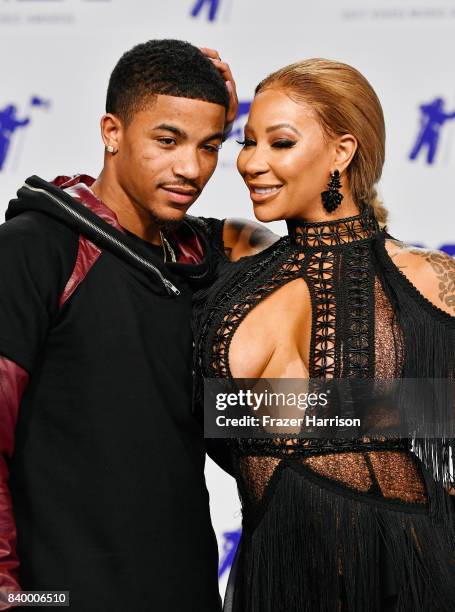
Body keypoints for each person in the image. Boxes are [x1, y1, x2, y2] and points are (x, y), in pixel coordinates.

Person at [0, 38, 275, 612]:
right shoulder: (34, 248)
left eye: (209, 146)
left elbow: (317, 256)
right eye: (167, 140)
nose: (191, 168)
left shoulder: (202, 256)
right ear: (111, 132)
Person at [193, 58, 455, 611]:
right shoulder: (228, 262)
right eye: (246, 141)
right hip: (274, 573)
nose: (252, 163)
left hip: (407, 568)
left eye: (280, 143)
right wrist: (200, 96)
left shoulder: (430, 279)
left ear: (342, 151)